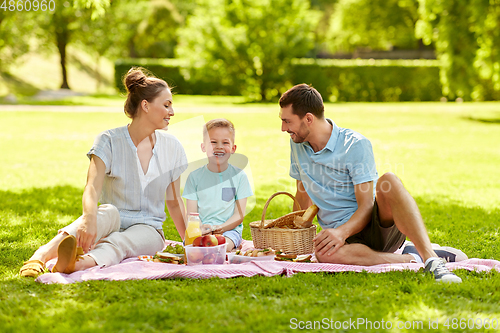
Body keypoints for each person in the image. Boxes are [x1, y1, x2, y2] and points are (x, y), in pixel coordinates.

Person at [279, 83, 465, 283]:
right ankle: (411, 258)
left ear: (308, 119)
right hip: (343, 240)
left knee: (389, 180)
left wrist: (341, 233)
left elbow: (367, 206)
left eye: (287, 121)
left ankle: (432, 260)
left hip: (373, 228)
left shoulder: (354, 145)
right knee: (323, 254)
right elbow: (302, 191)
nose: (283, 128)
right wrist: (294, 232)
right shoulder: (297, 143)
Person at [19, 67, 187, 277]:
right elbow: (92, 187)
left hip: (149, 229)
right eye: (166, 105)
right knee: (103, 214)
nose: (172, 112)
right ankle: (40, 256)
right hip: (114, 215)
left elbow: (174, 201)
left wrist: (191, 242)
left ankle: (77, 264)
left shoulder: (173, 147)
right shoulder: (108, 140)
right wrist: (88, 220)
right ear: (145, 105)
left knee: (120, 242)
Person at [182, 119, 253, 252]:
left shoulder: (239, 176)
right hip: (200, 229)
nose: (219, 147)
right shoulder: (194, 177)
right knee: (192, 248)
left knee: (221, 247)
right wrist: (201, 228)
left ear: (233, 148)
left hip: (229, 231)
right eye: (213, 142)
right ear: (203, 147)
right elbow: (191, 214)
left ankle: (228, 247)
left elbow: (239, 215)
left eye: (225, 142)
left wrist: (221, 228)